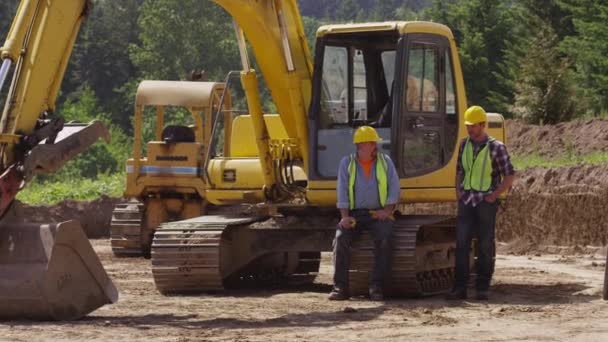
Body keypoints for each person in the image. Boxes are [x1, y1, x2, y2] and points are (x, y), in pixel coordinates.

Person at [447, 106, 515, 301]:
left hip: (486, 202)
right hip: (467, 200)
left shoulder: (497, 147)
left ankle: (482, 287)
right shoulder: (463, 145)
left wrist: (494, 195)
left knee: (485, 244)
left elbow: (510, 175)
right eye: (468, 126)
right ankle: (459, 288)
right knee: (461, 244)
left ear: (482, 125)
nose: (469, 129)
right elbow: (460, 170)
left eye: (473, 126)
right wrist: (458, 190)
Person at [329, 126, 400, 301]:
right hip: (355, 214)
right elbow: (342, 190)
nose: (376, 146)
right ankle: (340, 287)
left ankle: (377, 286)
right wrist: (344, 217)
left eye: (375, 143)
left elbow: (394, 187)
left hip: (379, 214)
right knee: (340, 238)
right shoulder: (347, 163)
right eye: (372, 143)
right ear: (362, 145)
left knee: (384, 237)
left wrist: (387, 211)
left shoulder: (386, 162)